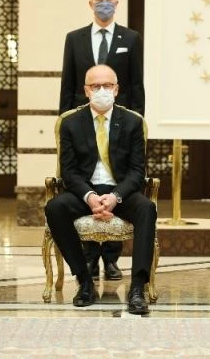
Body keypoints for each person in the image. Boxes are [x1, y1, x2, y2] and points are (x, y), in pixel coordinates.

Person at [45, 65, 156, 314]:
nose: (102, 91)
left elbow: (137, 171)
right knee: (55, 208)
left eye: (107, 86)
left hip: (120, 191)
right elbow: (69, 171)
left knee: (147, 208)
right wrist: (90, 197)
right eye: (96, 86)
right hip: (84, 191)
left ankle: (137, 288)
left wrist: (115, 197)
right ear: (86, 90)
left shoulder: (132, 122)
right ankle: (84, 281)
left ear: (116, 89)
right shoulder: (70, 123)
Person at [59, 0, 145, 281]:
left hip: (119, 125)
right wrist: (64, 122)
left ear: (117, 3)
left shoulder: (131, 38)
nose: (104, 3)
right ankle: (88, 258)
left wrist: (138, 122)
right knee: (86, 182)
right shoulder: (75, 39)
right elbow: (68, 84)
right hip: (82, 124)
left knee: (115, 182)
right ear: (90, 3)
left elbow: (136, 84)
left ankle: (110, 259)